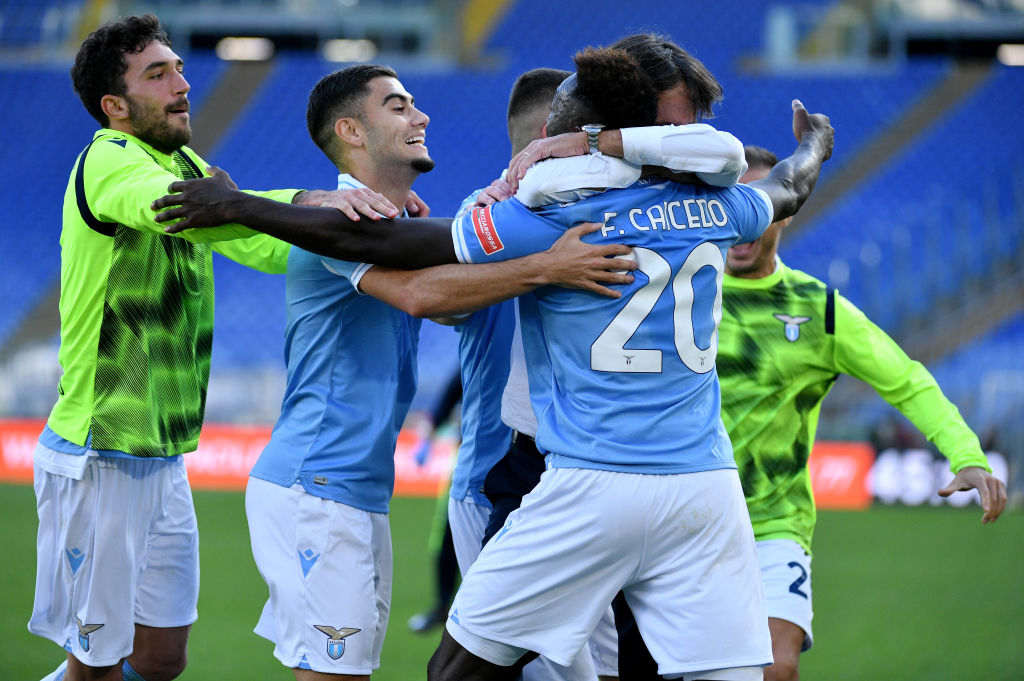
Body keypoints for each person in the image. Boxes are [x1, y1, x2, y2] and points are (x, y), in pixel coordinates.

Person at [425, 45, 834, 681]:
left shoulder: (548, 209)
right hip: (542, 464)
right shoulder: (534, 204)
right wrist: (544, 267)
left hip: (600, 468)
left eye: (684, 128)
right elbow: (782, 182)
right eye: (669, 125)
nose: (678, 140)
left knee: (503, 666)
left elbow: (416, 275)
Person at [28, 14, 406, 681]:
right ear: (115, 106)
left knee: (163, 657)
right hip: (98, 454)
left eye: (178, 68)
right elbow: (176, 204)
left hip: (164, 454)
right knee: (95, 666)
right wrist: (303, 202)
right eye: (159, 74)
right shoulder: (109, 160)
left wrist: (340, 218)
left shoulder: (183, 162)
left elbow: (252, 232)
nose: (182, 84)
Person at [242, 63, 639, 680]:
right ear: (350, 129)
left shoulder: (396, 223)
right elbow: (425, 298)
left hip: (359, 489)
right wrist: (547, 267)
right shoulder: (339, 227)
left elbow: (447, 301)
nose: (422, 116)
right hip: (315, 484)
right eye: (398, 107)